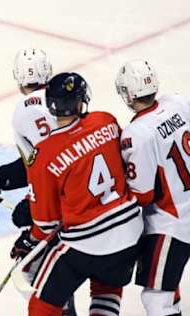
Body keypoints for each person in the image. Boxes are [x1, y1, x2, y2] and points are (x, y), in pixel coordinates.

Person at [0, 49, 76, 315]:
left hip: (60, 205)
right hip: (84, 195)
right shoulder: (65, 99)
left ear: (19, 79)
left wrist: (30, 203)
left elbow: (45, 165)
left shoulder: (22, 111)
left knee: (35, 271)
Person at [116, 60, 190, 316]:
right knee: (167, 289)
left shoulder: (135, 134)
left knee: (157, 299)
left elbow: (143, 194)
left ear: (127, 93)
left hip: (172, 223)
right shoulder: (178, 103)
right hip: (186, 205)